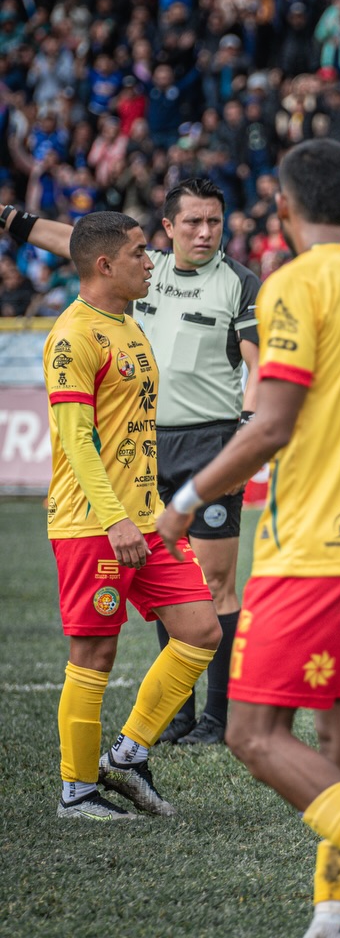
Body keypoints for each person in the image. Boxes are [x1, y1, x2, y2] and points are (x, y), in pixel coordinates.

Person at [154, 139, 340, 938]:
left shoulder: (292, 285)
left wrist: (185, 498)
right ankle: (334, 919)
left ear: (283, 213)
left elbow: (271, 424)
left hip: (316, 549)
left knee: (254, 734)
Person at [6, 177, 260, 747]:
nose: (204, 231)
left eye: (214, 221)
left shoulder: (238, 282)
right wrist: (13, 220)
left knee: (211, 585)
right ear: (169, 227)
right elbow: (78, 241)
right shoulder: (143, 277)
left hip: (209, 445)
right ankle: (170, 721)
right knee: (148, 598)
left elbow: (257, 362)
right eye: (192, 221)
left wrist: (246, 433)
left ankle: (214, 721)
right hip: (137, 460)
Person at [35, 209, 221, 819]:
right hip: (94, 523)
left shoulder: (129, 324)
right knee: (94, 654)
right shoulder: (72, 336)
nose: (152, 261)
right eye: (141, 253)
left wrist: (154, 510)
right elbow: (77, 439)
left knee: (201, 630)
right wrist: (116, 517)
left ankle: (126, 755)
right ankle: (76, 792)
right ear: (105, 264)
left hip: (146, 518)